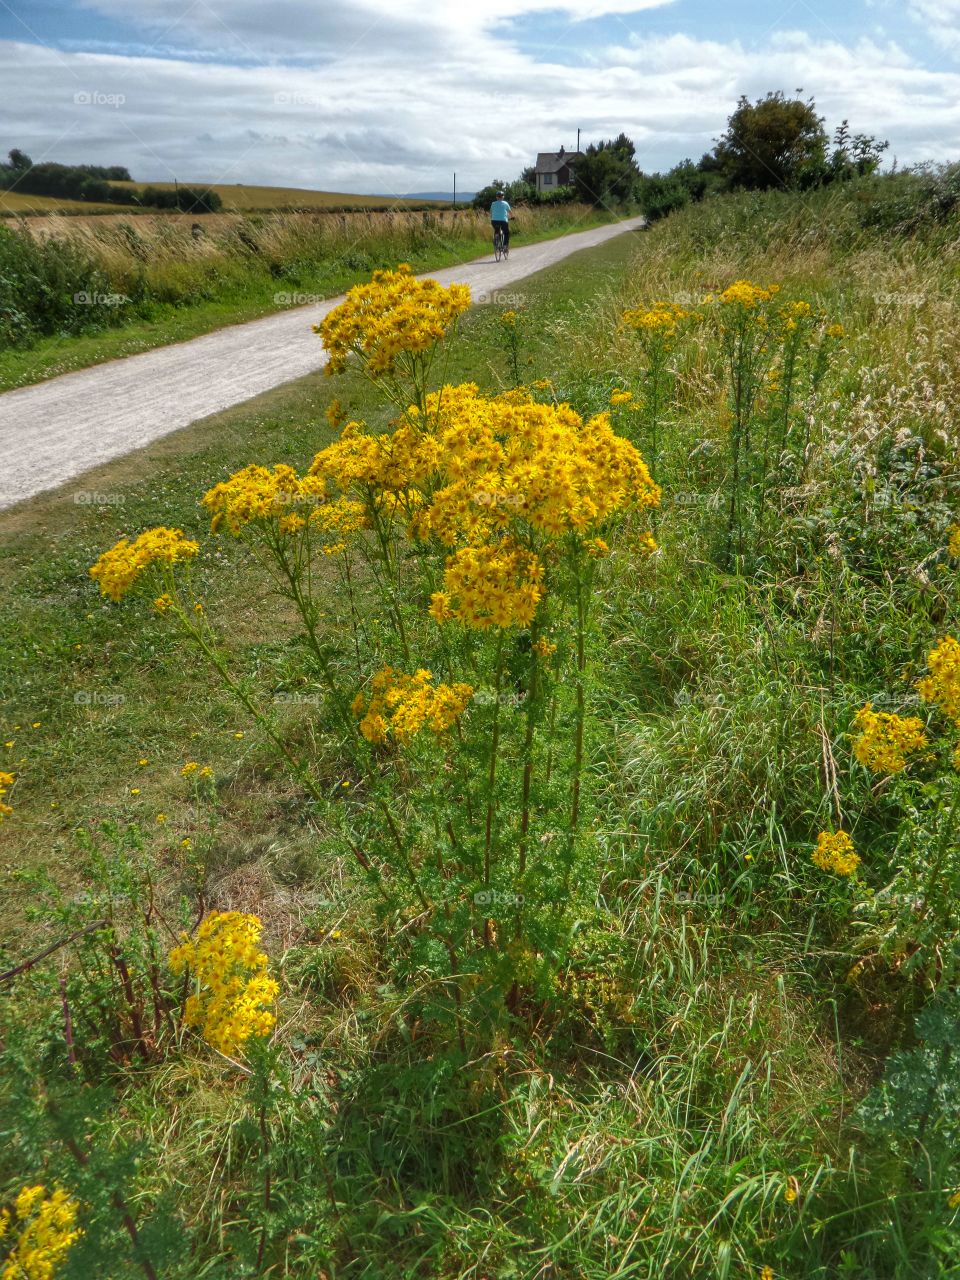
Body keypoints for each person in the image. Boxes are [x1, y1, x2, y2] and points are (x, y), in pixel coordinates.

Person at [490, 190, 511, 255]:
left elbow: (491, 212)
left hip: (494, 221)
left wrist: (492, 217)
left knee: (497, 230)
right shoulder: (505, 203)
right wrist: (512, 217)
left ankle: (496, 238)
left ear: (496, 197)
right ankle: (505, 246)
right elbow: (510, 212)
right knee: (507, 233)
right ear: (503, 197)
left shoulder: (493, 203)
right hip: (503, 221)